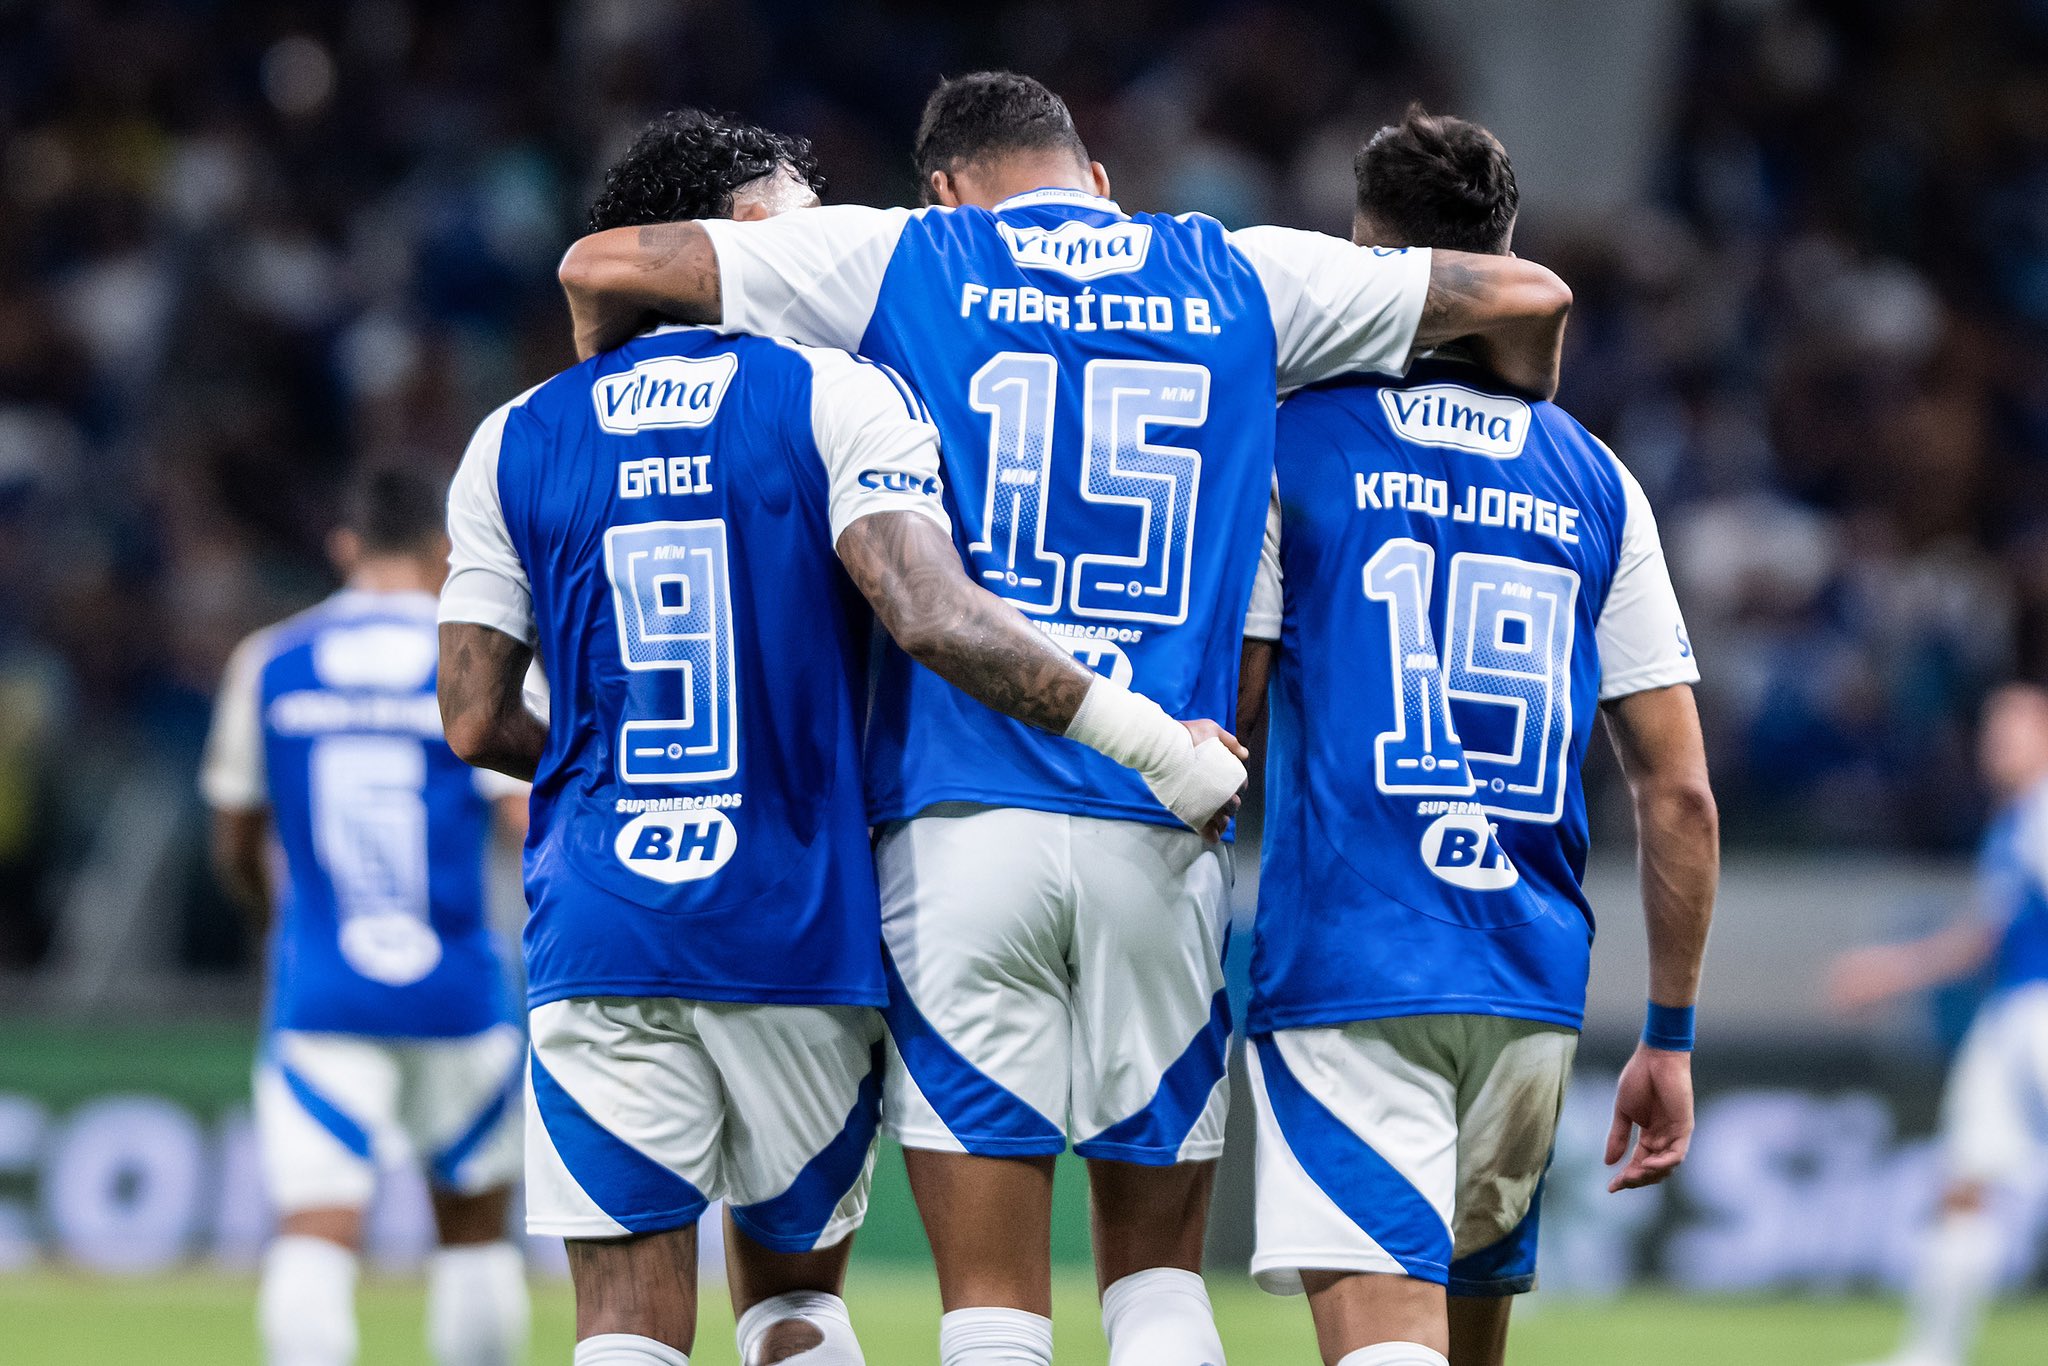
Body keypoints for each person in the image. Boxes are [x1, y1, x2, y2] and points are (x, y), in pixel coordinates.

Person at [555, 71, 1575, 1366]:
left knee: (993, 1303)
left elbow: (605, 264)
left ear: (946, 186)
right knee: (1154, 1283)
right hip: (1164, 807)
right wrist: (1508, 416)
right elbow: (1523, 296)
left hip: (959, 816)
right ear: (1096, 178)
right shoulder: (1239, 270)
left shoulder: (902, 253)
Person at [435, 108, 1243, 1366]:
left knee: (624, 1329)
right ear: (739, 231)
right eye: (799, 211)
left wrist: (605, 774)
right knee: (793, 1307)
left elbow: (475, 713)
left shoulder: (515, 435)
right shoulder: (835, 393)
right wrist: (1147, 738)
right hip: (796, 919)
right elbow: (924, 608)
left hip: (600, 917)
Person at [1235, 107, 1719, 1366]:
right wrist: (1665, 1037)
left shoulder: (1292, 442)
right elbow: (1677, 796)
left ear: (1369, 260)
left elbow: (1227, 715)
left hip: (1353, 965)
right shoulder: (1597, 479)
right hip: (1523, 984)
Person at [202, 464, 531, 1366]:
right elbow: (524, 819)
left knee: (315, 1232)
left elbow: (236, 831)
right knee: (473, 1238)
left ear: (344, 547)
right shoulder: (468, 656)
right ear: (442, 550)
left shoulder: (270, 660)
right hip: (459, 987)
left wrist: (275, 913)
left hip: (324, 987)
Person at [1828, 683, 2048, 1366]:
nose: (1996, 745)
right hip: (2011, 1014)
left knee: (1970, 1180)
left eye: (2013, 730)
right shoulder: (2015, 822)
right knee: (1965, 1177)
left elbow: (1983, 938)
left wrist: (1892, 971)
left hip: (2039, 1012)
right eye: (1991, 730)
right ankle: (1932, 1350)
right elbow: (1988, 934)